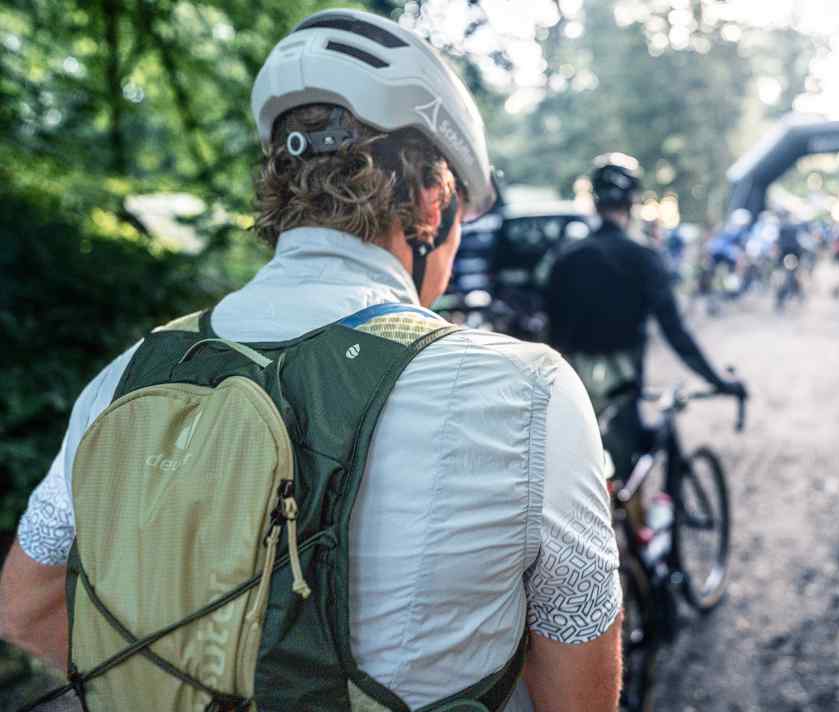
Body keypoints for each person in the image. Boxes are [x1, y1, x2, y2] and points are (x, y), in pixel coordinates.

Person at [0, 10, 621, 712]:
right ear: (431, 198)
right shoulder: (528, 392)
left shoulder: (126, 376)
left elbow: (25, 606)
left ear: (280, 190)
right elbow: (576, 674)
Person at [544, 153, 746, 477]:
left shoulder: (564, 259)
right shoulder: (644, 257)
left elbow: (552, 336)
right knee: (629, 463)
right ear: (633, 203)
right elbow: (675, 332)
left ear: (595, 202)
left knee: (590, 469)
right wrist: (717, 379)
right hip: (623, 389)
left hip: (572, 389)